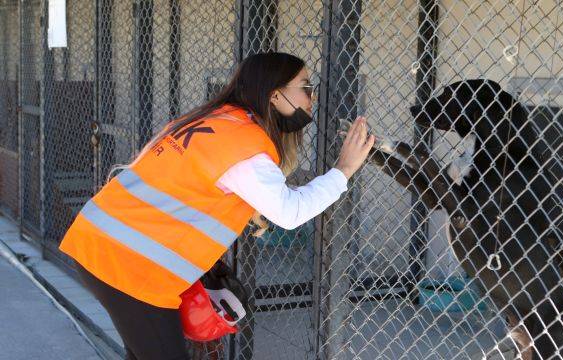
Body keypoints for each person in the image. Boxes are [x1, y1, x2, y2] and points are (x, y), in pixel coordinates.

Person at [58, 52, 374, 359]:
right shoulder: (243, 142)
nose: (311, 99)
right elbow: (289, 213)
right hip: (130, 266)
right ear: (275, 96)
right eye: (306, 88)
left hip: (100, 244)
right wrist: (343, 170)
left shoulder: (214, 121)